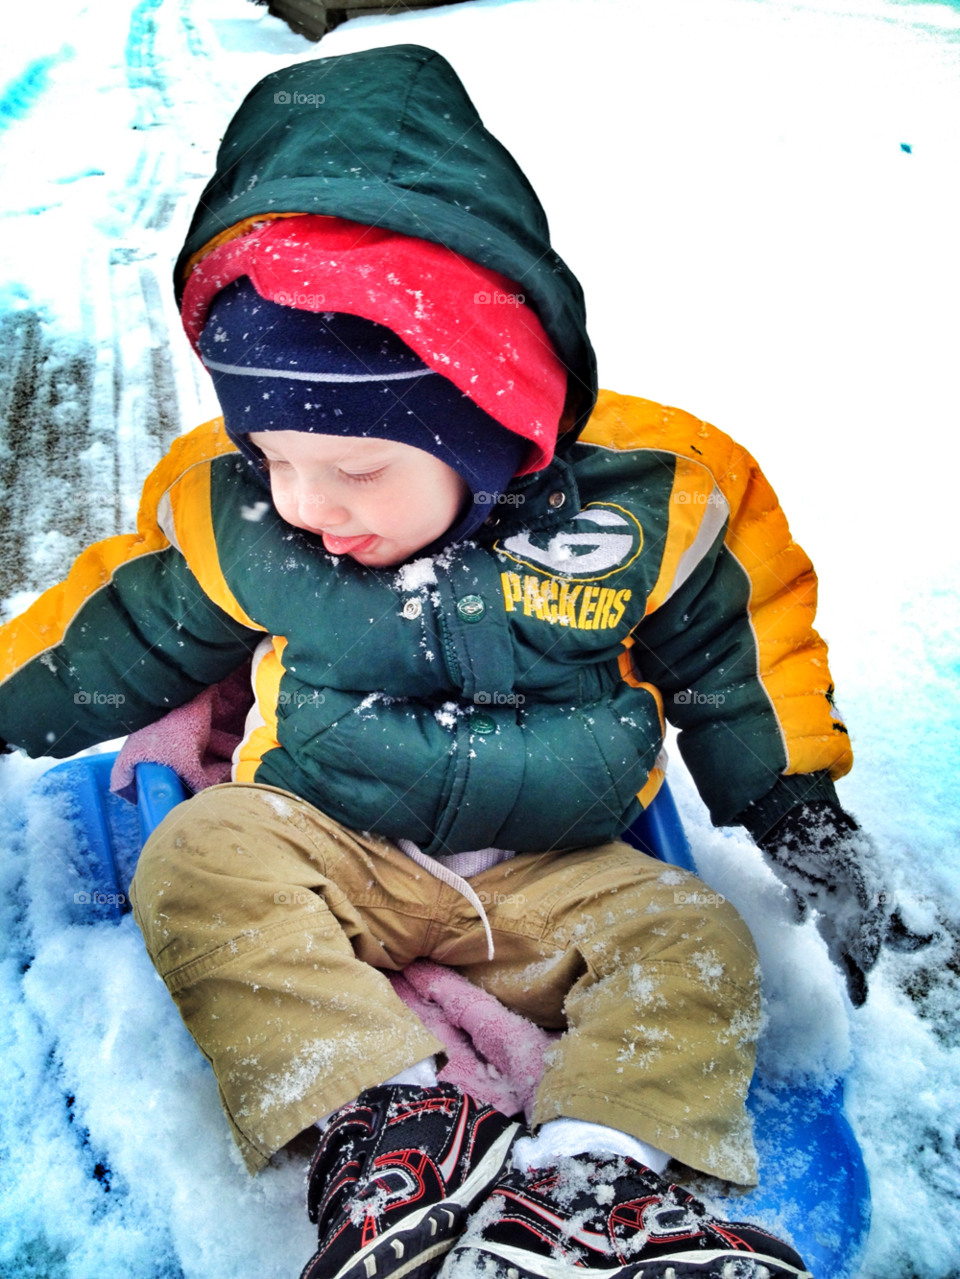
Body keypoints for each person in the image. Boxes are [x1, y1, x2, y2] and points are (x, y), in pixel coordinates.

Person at [0, 44, 885, 1279]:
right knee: (202, 860)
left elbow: (741, 661)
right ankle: (389, 1119)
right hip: (335, 845)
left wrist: (795, 801)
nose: (308, 502)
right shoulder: (251, 522)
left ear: (489, 413)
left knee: (696, 943)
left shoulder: (649, 506)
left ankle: (593, 1174)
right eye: (272, 455)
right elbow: (118, 633)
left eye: (357, 468)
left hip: (560, 870)